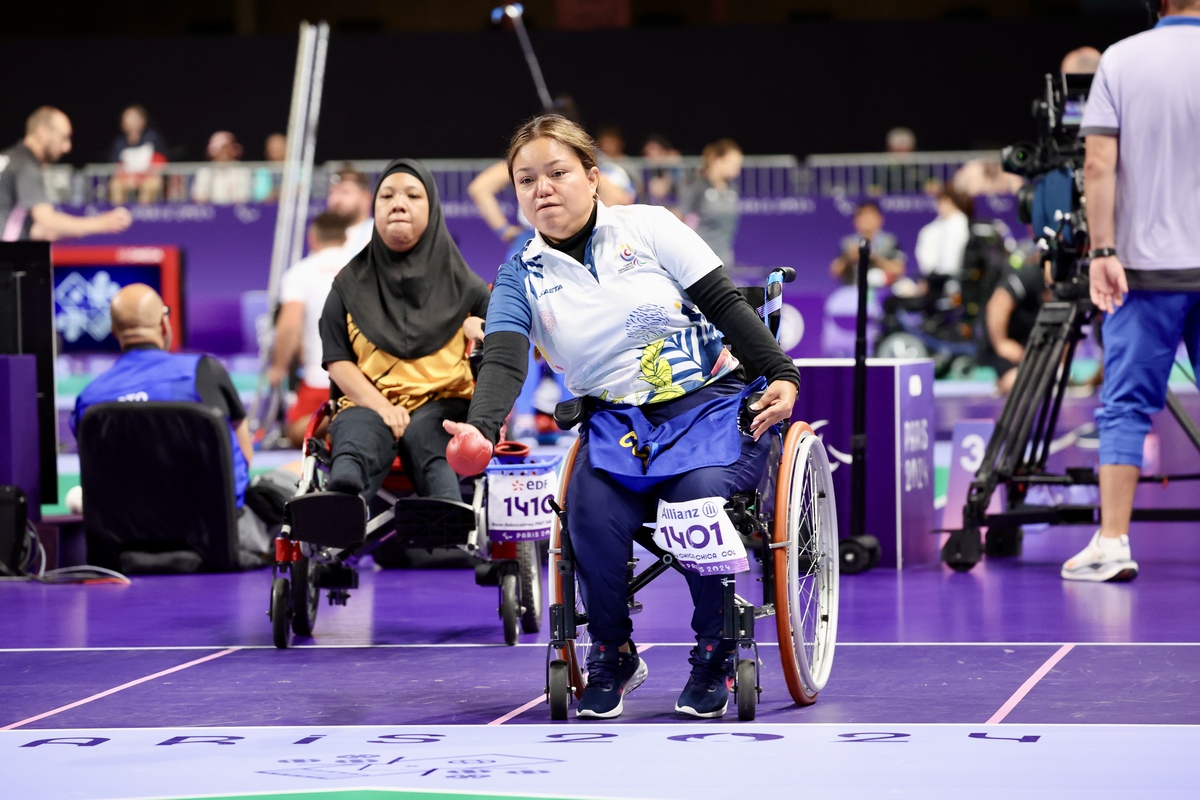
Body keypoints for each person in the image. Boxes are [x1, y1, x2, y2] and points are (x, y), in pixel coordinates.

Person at [446, 115, 799, 720]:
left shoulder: (651, 226)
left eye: (557, 173)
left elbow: (724, 303)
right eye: (526, 180)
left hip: (707, 405)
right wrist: (482, 425)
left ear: (592, 176)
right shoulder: (519, 271)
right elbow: (504, 356)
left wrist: (783, 374)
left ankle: (714, 648)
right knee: (588, 510)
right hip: (617, 426)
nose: (542, 189)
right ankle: (611, 649)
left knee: (700, 501)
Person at [1062, 0, 1200, 583]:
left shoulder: (1120, 59)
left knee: (1125, 407)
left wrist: (1101, 251)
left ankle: (1113, 541)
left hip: (1144, 270)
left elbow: (1097, 164)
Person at [318, 159, 489, 502]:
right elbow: (337, 360)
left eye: (413, 195)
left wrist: (485, 333)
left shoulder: (469, 290)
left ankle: (447, 511)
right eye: (387, 196)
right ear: (375, 208)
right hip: (368, 402)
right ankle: (341, 505)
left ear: (433, 209)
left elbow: (503, 354)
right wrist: (383, 407)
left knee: (431, 433)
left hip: (444, 405)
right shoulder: (346, 287)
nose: (398, 203)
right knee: (355, 433)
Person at [69, 284, 274, 568]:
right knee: (289, 480)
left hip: (125, 550)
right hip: (217, 541)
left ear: (114, 331)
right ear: (165, 323)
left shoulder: (89, 397)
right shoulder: (205, 371)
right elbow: (242, 457)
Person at [269, 211, 351, 447]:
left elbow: (289, 327)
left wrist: (278, 368)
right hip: (364, 379)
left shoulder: (300, 273)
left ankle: (340, 423)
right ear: (346, 238)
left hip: (320, 379)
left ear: (312, 238)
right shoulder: (364, 265)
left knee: (296, 432)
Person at [1, 107, 132, 241]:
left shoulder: (9, 159)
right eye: (64, 138)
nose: (67, 147)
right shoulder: (27, 167)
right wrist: (102, 223)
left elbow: (36, 230)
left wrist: (70, 230)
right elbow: (47, 222)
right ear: (43, 132)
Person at [983, 247, 1049, 395]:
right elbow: (998, 302)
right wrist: (1002, 343)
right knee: (1015, 383)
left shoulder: (1066, 282)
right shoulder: (1030, 275)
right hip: (1010, 343)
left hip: (1032, 343)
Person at [677, 138, 743, 272]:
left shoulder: (732, 188)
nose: (737, 170)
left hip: (724, 260)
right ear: (716, 160)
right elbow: (681, 218)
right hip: (699, 260)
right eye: (733, 163)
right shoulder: (697, 186)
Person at [829, 200, 907, 286]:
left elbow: (899, 270)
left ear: (880, 219)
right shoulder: (848, 243)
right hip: (853, 289)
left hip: (883, 291)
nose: (866, 220)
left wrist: (874, 258)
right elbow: (835, 271)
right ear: (856, 221)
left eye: (870, 216)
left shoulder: (890, 241)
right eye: (862, 216)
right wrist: (849, 258)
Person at [107, 104, 167, 205]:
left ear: (143, 120)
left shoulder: (152, 138)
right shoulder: (119, 143)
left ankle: (143, 217)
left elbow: (161, 162)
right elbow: (116, 167)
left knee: (150, 186)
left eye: (133, 118)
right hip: (127, 178)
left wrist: (142, 177)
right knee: (115, 185)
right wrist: (129, 178)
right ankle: (119, 215)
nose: (130, 122)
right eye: (127, 118)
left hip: (148, 177)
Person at [191, 131, 252, 205]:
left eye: (225, 147)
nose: (223, 152)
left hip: (235, 212)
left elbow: (244, 198)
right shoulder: (204, 172)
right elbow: (198, 197)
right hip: (211, 213)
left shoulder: (243, 171)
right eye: (218, 148)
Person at [325, 165, 374, 255]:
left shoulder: (377, 234)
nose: (336, 199)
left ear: (366, 198)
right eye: (332, 193)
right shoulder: (323, 235)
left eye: (345, 192)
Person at [252, 132, 287, 203]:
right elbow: (259, 196)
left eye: (279, 147)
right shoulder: (262, 171)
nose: (275, 150)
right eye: (272, 147)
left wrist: (277, 193)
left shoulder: (298, 168)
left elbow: (303, 191)